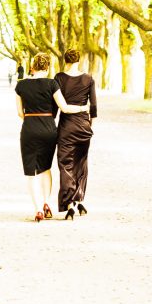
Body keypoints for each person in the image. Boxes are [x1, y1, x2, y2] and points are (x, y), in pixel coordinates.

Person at [15, 52, 88, 222]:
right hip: (48, 129)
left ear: (33, 66)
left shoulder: (21, 86)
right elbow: (65, 108)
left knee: (31, 173)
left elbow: (20, 113)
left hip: (29, 128)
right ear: (47, 67)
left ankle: (38, 209)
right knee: (45, 168)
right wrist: (84, 108)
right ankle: (47, 203)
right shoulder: (52, 84)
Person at [54, 48, 98, 221]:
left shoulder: (59, 78)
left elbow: (54, 106)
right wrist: (89, 126)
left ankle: (69, 204)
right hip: (83, 127)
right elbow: (93, 106)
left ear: (66, 61)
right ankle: (79, 199)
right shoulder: (88, 79)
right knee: (81, 163)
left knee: (65, 164)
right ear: (79, 61)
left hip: (66, 126)